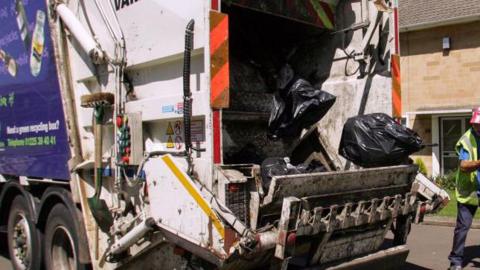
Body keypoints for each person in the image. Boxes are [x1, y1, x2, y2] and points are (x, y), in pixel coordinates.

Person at [448, 107, 480, 270]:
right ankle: (456, 261)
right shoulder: (466, 139)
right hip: (468, 190)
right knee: (462, 227)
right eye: (476, 124)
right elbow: (464, 166)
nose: (478, 127)